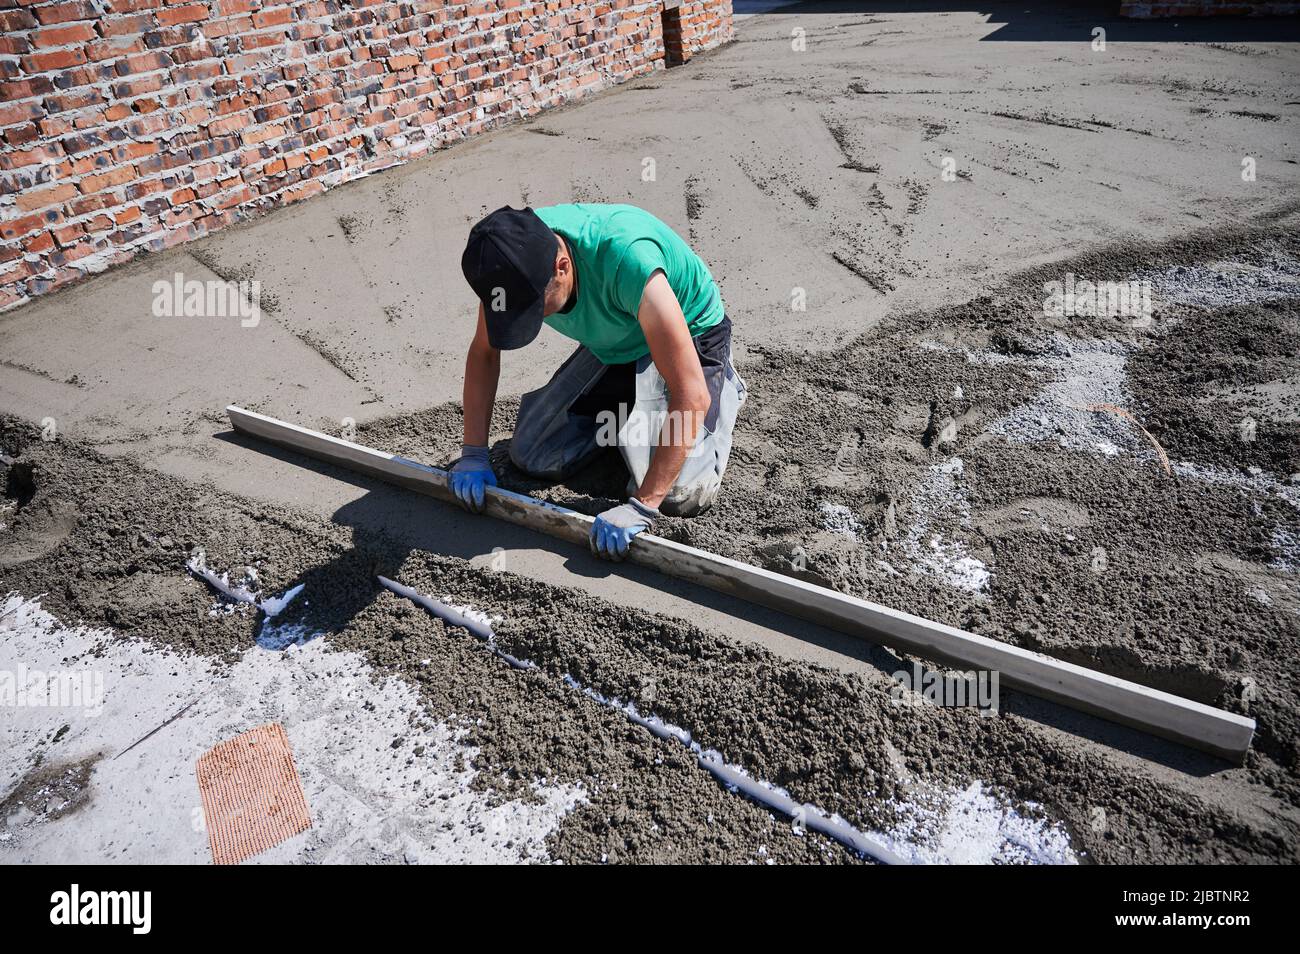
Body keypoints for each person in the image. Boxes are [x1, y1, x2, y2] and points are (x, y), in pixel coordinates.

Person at [452, 203, 747, 560]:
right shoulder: (507, 260)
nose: (528, 318)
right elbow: (484, 353)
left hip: (691, 337)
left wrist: (643, 506)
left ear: (562, 268)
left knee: (678, 495)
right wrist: (473, 453)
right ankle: (631, 421)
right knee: (531, 454)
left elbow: (690, 394)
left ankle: (726, 385)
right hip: (614, 343)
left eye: (532, 309)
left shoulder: (627, 259)